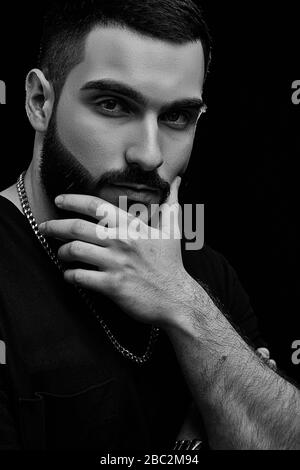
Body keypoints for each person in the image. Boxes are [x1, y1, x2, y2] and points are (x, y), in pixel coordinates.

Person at [0, 0, 298, 451]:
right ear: (40, 102)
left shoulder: (202, 274)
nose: (150, 155)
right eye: (113, 104)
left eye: (177, 116)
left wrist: (185, 306)